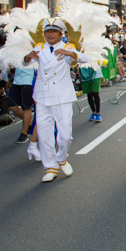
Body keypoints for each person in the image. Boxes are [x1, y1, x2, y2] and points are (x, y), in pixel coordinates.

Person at [23, 19, 88, 183]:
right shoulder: (39, 48)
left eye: (54, 32)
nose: (50, 35)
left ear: (60, 34)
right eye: (47, 32)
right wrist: (28, 56)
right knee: (44, 135)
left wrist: (71, 54)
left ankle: (61, 158)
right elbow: (25, 62)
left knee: (65, 135)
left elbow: (84, 58)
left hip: (61, 97)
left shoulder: (67, 48)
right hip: (43, 97)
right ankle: (50, 167)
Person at [8, 62, 35, 144]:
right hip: (17, 81)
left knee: (26, 108)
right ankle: (29, 123)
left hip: (28, 81)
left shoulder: (33, 50)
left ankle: (24, 134)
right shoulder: (16, 51)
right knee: (12, 105)